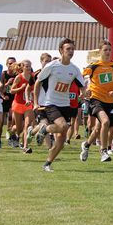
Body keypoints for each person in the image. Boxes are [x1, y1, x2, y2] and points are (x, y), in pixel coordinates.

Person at [33, 39, 84, 172]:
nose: (71, 51)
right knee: (63, 126)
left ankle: (47, 164)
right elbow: (38, 82)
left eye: (72, 49)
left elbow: (82, 87)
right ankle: (44, 129)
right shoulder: (52, 66)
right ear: (61, 50)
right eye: (68, 49)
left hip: (65, 105)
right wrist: (36, 102)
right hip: (51, 104)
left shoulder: (75, 69)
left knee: (61, 141)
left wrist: (85, 93)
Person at [81, 40, 113, 163]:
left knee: (97, 128)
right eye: (105, 50)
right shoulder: (93, 66)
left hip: (109, 101)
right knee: (106, 122)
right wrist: (85, 90)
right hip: (95, 99)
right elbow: (79, 78)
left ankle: (86, 145)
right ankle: (104, 151)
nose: (108, 52)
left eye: (110, 50)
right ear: (100, 51)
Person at [10, 60, 36, 154]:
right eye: (27, 66)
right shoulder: (19, 77)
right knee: (19, 128)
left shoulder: (33, 77)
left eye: (30, 66)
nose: (29, 68)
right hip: (18, 104)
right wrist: (21, 88)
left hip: (28, 105)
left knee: (27, 125)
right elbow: (11, 91)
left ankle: (25, 146)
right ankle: (11, 132)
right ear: (22, 67)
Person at [0, 57, 19, 148]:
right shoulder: (3, 74)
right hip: (4, 98)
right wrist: (7, 83)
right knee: (0, 120)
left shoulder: (17, 74)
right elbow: (0, 88)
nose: (12, 65)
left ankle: (10, 136)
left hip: (13, 99)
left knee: (11, 118)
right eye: (10, 63)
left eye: (14, 63)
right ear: (7, 64)